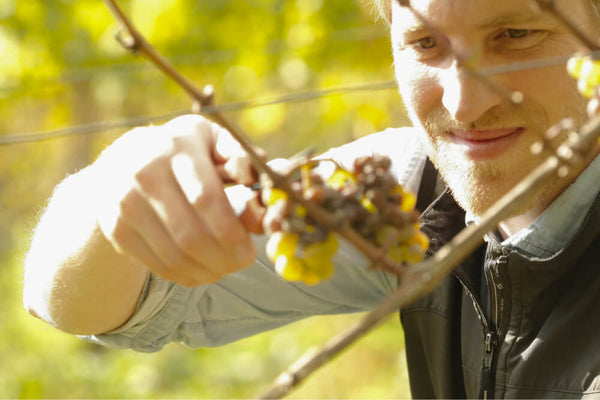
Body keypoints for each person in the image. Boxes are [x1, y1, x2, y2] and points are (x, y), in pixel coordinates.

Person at [23, 0, 600, 398]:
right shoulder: (406, 196)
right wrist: (114, 192)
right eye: (425, 44)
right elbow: (76, 305)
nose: (466, 103)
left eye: (516, 35)